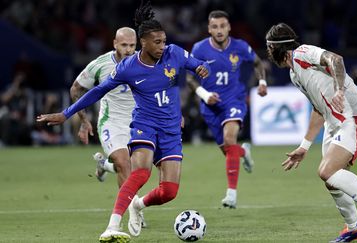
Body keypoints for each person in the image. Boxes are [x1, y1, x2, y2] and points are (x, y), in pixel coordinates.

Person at [36, 1, 210, 242]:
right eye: (157, 42)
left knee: (169, 192)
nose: (162, 46)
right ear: (144, 43)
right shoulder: (128, 67)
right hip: (144, 123)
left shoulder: (175, 53)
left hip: (170, 128)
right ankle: (112, 226)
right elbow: (97, 91)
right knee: (139, 172)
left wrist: (202, 69)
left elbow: (198, 65)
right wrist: (66, 114)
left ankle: (138, 204)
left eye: (164, 40)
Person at [265, 23, 357, 242]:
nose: (268, 52)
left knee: (327, 171)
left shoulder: (302, 53)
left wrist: (339, 89)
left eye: (269, 47)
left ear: (278, 47)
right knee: (331, 179)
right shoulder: (295, 75)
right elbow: (318, 109)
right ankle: (354, 226)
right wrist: (304, 146)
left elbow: (336, 59)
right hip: (333, 122)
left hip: (353, 116)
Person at [186, 10, 267, 209]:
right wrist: (205, 95)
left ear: (229, 27)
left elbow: (257, 62)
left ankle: (231, 195)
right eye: (215, 27)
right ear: (209, 29)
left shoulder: (240, 46)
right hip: (210, 107)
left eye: (223, 26)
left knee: (230, 140)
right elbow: (189, 79)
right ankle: (244, 152)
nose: (219, 30)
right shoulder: (199, 49)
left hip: (234, 100)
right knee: (229, 151)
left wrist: (262, 81)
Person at [70, 27, 136, 186]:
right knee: (124, 164)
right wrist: (84, 121)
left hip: (138, 123)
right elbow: (76, 89)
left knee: (136, 167)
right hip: (111, 122)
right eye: (124, 45)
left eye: (132, 45)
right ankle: (131, 210)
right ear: (115, 44)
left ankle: (104, 165)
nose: (128, 50)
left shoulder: (144, 62)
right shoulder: (101, 64)